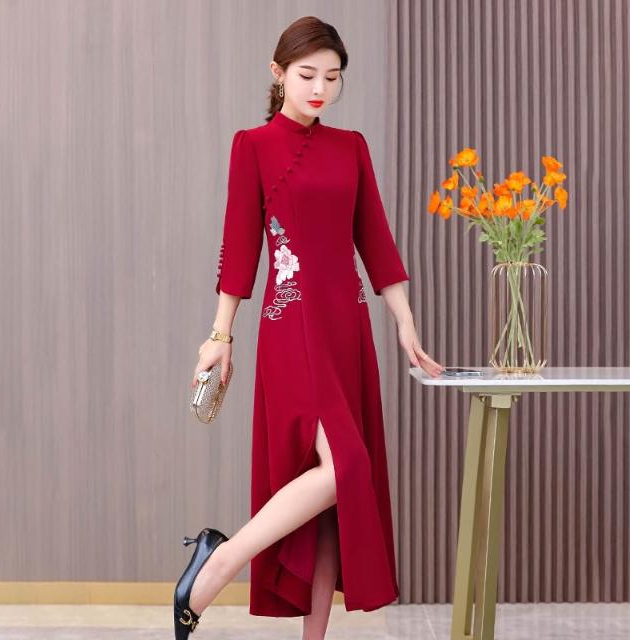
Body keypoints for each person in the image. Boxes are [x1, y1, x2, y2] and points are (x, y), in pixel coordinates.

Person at [173, 15, 445, 640]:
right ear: (278, 74)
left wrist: (405, 323)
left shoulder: (351, 148)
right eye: (307, 75)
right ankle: (217, 564)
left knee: (329, 507)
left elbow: (376, 242)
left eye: (332, 77)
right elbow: (239, 247)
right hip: (290, 326)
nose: (320, 88)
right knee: (346, 467)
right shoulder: (253, 145)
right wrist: (220, 335)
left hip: (346, 330)